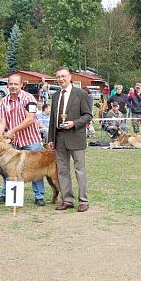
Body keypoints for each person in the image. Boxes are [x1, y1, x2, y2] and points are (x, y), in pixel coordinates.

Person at [0, 74, 46, 206]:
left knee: (36, 169)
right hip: (13, 143)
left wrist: (13, 131)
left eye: (16, 84)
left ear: (21, 85)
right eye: (11, 84)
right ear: (7, 85)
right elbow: (1, 122)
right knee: (8, 169)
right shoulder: (3, 102)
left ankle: (39, 196)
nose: (13, 87)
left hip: (31, 140)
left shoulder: (29, 98)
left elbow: (30, 119)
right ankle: (6, 195)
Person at [47, 67, 93, 212]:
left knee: (79, 170)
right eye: (58, 77)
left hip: (76, 137)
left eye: (63, 76)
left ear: (70, 77)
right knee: (62, 171)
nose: (61, 79)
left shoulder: (81, 94)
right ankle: (67, 200)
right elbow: (52, 119)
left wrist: (74, 123)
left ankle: (83, 201)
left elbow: (88, 115)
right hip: (59, 138)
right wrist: (50, 138)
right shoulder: (55, 96)